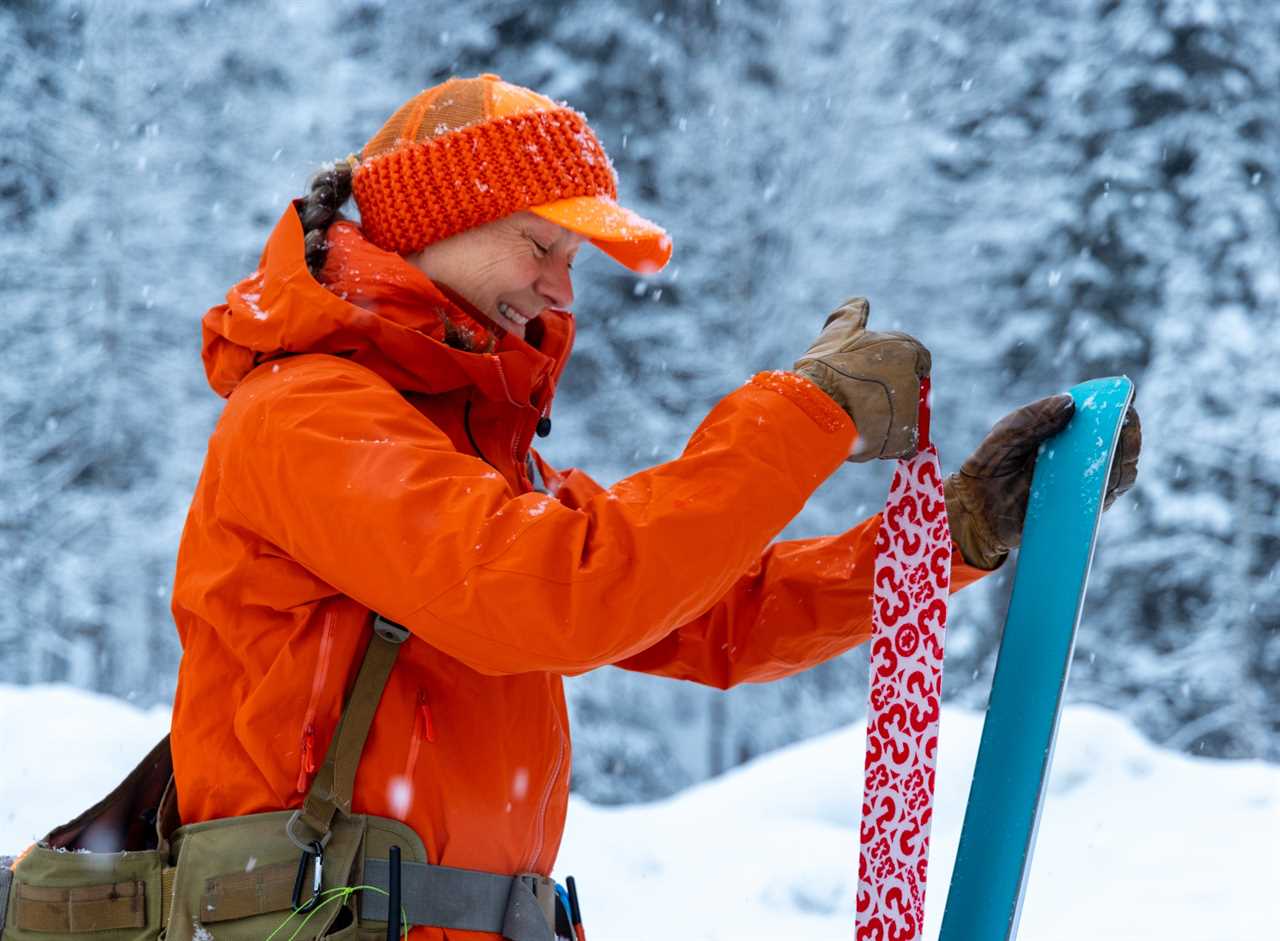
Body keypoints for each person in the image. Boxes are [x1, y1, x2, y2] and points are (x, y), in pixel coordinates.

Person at [171, 74, 1140, 938]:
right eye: (540, 244)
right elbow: (556, 595)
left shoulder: (464, 454)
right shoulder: (307, 416)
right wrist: (803, 415)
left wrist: (945, 538)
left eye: (573, 259)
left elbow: (715, 611)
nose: (559, 286)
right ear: (433, 222)